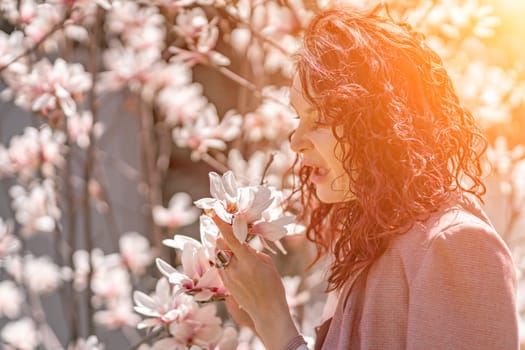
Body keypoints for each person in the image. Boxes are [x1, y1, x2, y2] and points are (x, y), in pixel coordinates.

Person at [212, 5, 519, 350]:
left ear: (381, 125)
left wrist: (275, 320)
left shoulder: (456, 245)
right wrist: (262, 319)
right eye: (298, 118)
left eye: (320, 120)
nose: (296, 141)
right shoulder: (372, 249)